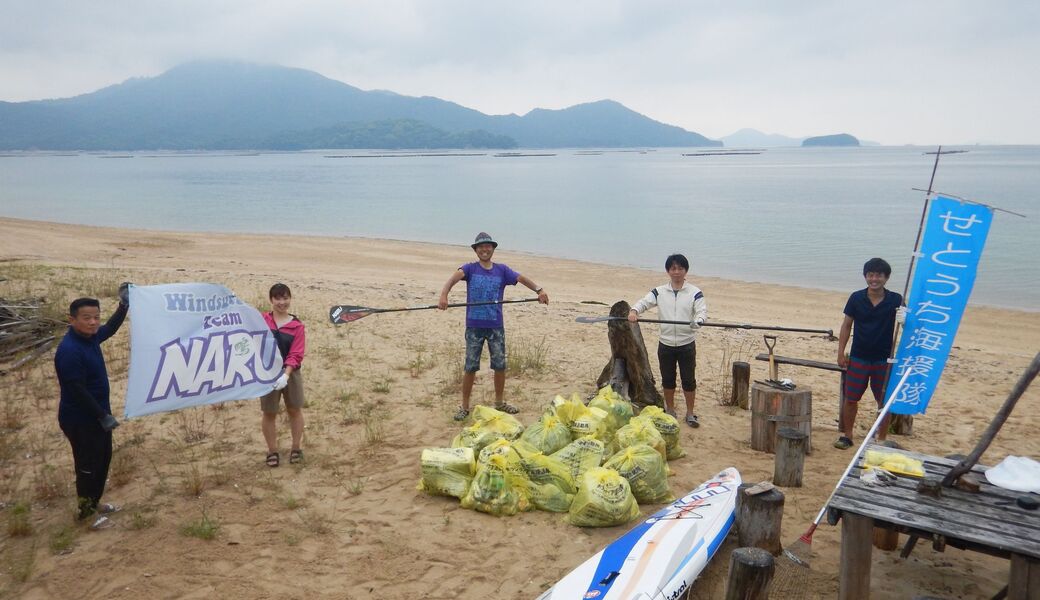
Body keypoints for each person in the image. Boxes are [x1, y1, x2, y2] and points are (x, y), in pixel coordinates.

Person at [438, 232, 549, 421]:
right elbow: (452, 280)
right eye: (481, 247)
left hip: (496, 326)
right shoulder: (469, 269)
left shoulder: (502, 270)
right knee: (470, 367)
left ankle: (499, 403)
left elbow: (522, 278)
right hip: (474, 326)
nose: (484, 249)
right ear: (476, 250)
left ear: (493, 249)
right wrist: (444, 296)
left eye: (488, 246)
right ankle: (464, 406)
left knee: (499, 365)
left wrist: (539, 290)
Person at [53, 284, 129, 530]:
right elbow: (76, 389)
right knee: (87, 465)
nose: (93, 322)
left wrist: (123, 306)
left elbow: (110, 328)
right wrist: (102, 415)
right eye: (86, 318)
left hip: (98, 416)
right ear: (72, 319)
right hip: (81, 418)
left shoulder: (91, 337)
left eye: (96, 317)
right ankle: (86, 515)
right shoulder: (69, 350)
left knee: (103, 459)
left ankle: (94, 502)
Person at [629, 253, 708, 428]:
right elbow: (644, 302)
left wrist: (699, 321)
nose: (677, 272)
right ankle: (670, 409)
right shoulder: (659, 291)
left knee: (688, 380)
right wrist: (634, 311)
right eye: (673, 268)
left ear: (685, 270)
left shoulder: (695, 293)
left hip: (686, 344)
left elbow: (701, 312)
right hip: (665, 344)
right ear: (668, 271)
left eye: (680, 268)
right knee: (668, 379)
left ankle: (690, 413)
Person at [834, 257, 905, 449]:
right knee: (851, 398)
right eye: (870, 275)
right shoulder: (856, 298)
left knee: (883, 402)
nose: (874, 279)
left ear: (886, 277)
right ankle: (847, 435)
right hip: (858, 356)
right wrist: (841, 352)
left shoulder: (896, 299)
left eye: (879, 275)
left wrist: (905, 319)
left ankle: (881, 439)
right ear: (865, 276)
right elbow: (846, 325)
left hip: (884, 359)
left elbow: (909, 327)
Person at [260, 283, 307, 467]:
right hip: (268, 373)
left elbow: (296, 354)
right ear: (271, 300)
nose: (282, 302)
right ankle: (272, 450)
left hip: (291, 374)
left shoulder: (297, 326)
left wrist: (286, 375)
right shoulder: (263, 320)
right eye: (278, 298)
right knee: (269, 411)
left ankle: (296, 448)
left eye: (285, 298)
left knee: (294, 409)